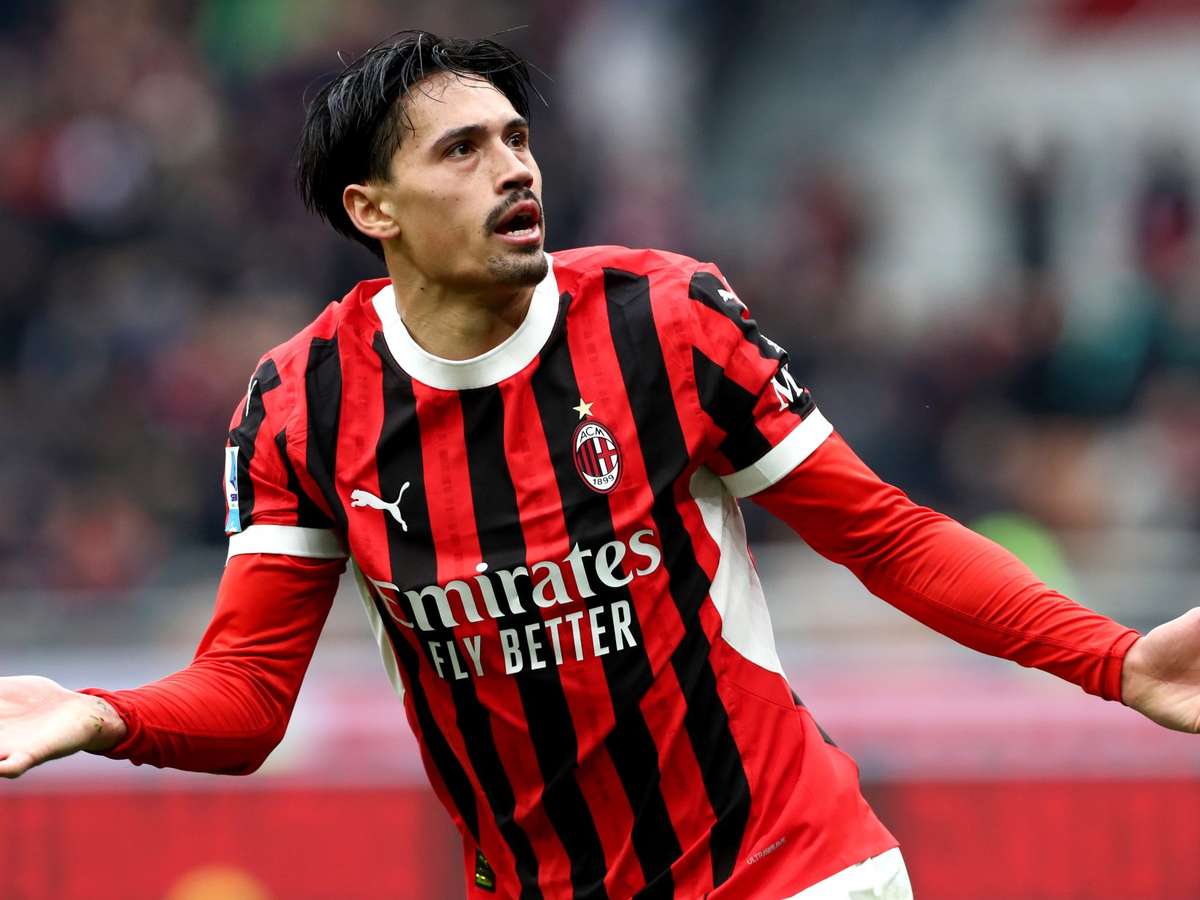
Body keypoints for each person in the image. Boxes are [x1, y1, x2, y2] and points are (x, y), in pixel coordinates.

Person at [1, 31, 1197, 900]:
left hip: (788, 869)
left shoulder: (664, 320)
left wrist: (1112, 659)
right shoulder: (301, 405)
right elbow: (247, 699)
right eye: (462, 152)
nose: (513, 170)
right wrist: (101, 712)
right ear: (374, 210)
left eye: (517, 141)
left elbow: (886, 536)